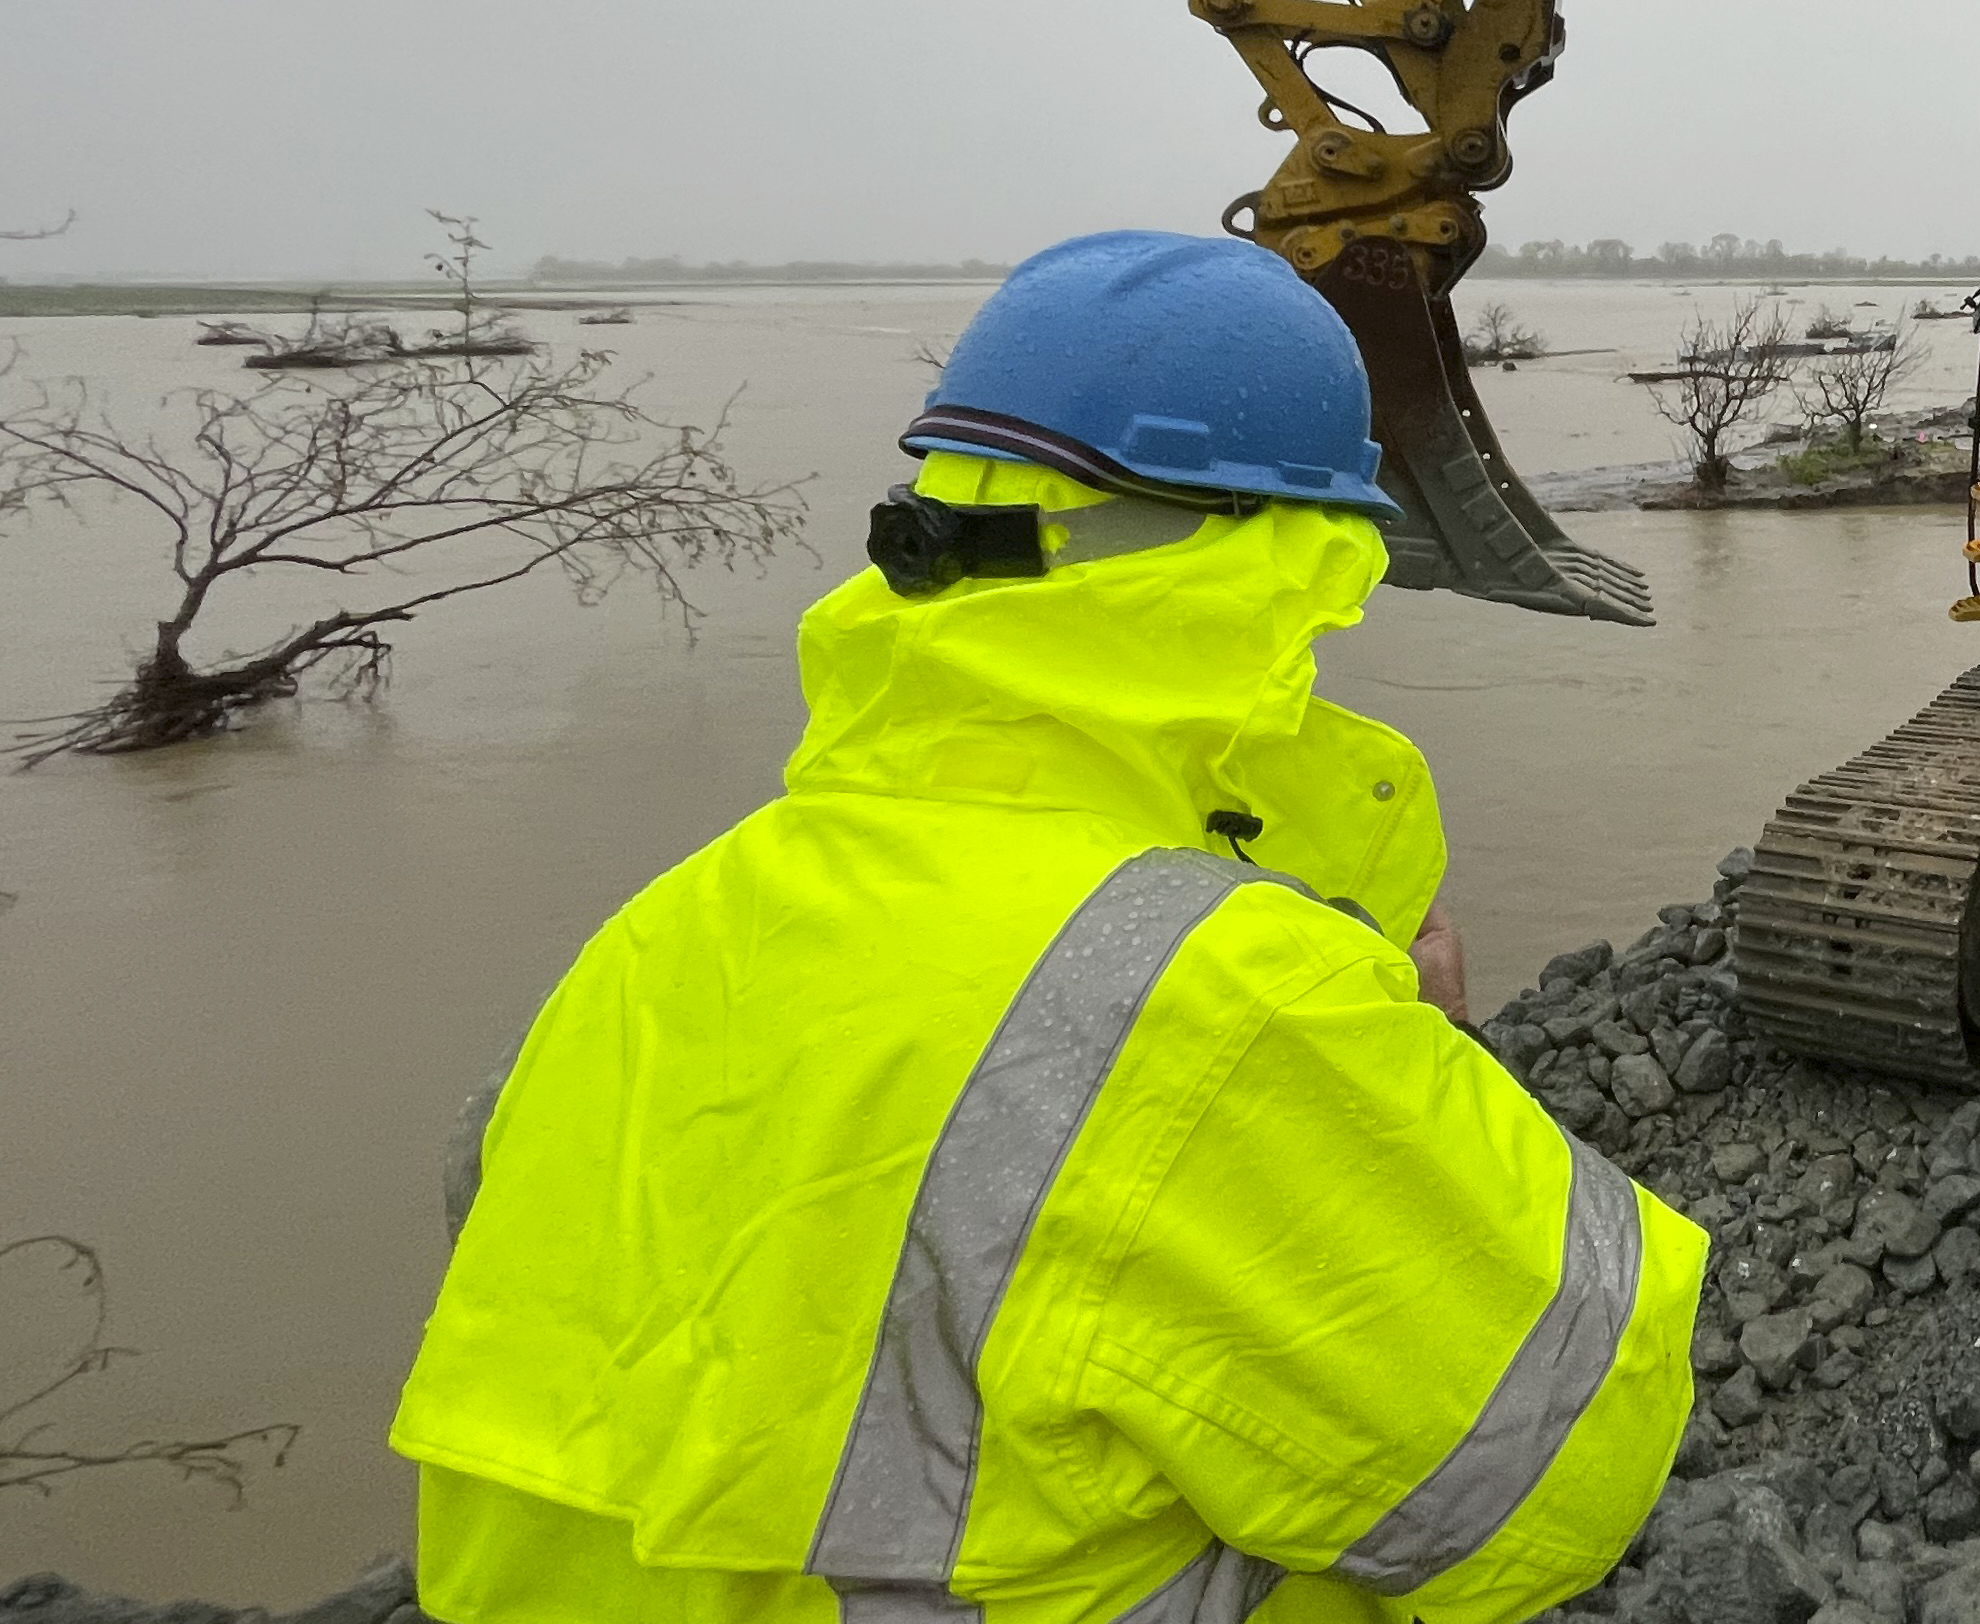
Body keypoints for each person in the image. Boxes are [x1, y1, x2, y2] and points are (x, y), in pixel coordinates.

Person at [391, 231, 1703, 1624]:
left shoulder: (664, 930)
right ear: (1287, 569)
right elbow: (1549, 1472)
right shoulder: (1221, 994)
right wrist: (1430, 1060)